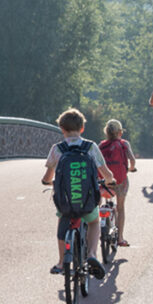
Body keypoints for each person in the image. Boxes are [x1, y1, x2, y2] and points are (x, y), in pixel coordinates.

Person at [41, 108, 116, 280]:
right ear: (82, 128)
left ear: (62, 129)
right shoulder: (90, 147)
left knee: (62, 223)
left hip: (66, 204)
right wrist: (110, 180)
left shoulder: (57, 149)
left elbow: (48, 177)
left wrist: (46, 182)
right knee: (94, 221)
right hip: (87, 202)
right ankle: (91, 254)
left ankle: (61, 262)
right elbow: (106, 173)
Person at [99, 119, 137, 247]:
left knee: (102, 200)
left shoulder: (101, 145)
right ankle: (120, 238)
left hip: (104, 182)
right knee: (120, 208)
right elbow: (132, 159)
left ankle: (100, 227)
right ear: (120, 132)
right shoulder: (124, 144)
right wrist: (131, 168)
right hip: (120, 180)